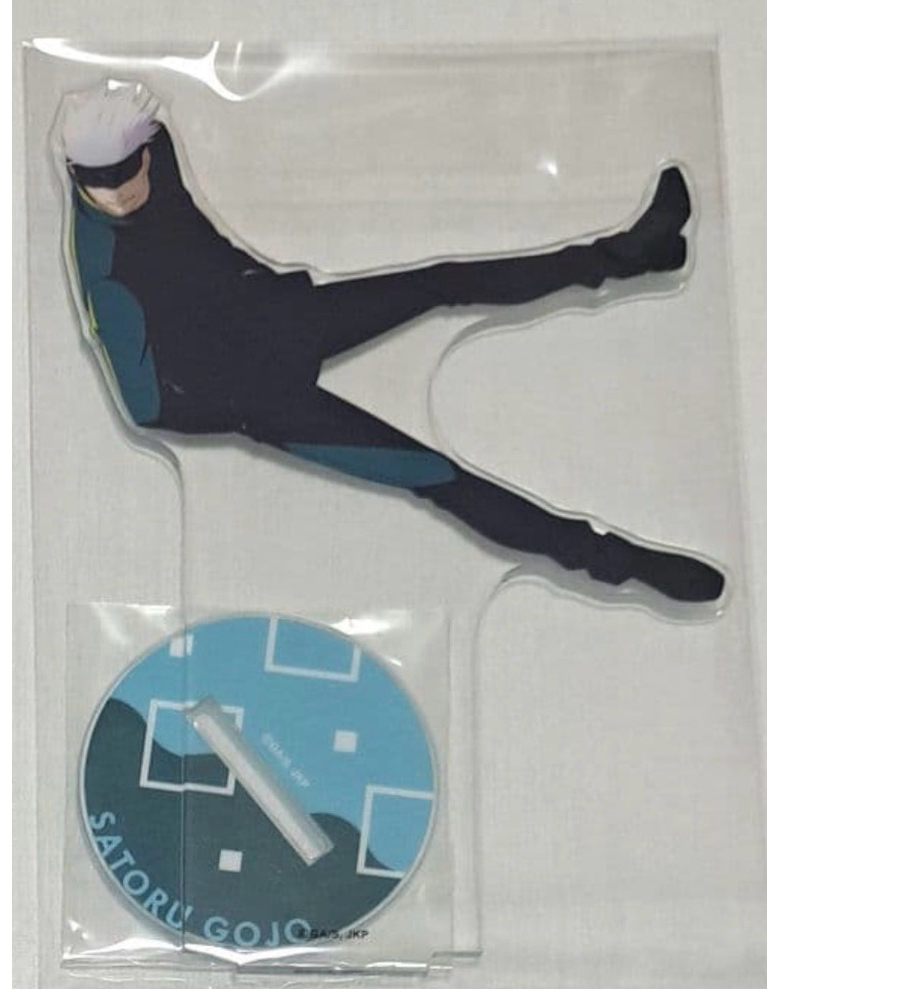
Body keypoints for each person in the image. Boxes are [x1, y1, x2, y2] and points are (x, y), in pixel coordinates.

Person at [59, 83, 724, 605]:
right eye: (99, 184)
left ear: (146, 154)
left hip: (277, 319)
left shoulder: (155, 157)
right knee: (436, 477)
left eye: (127, 174)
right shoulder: (103, 268)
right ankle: (623, 564)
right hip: (258, 396)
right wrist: (240, 405)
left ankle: (629, 256)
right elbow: (146, 409)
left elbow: (193, 238)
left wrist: (254, 287)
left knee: (442, 281)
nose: (117, 196)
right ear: (77, 177)